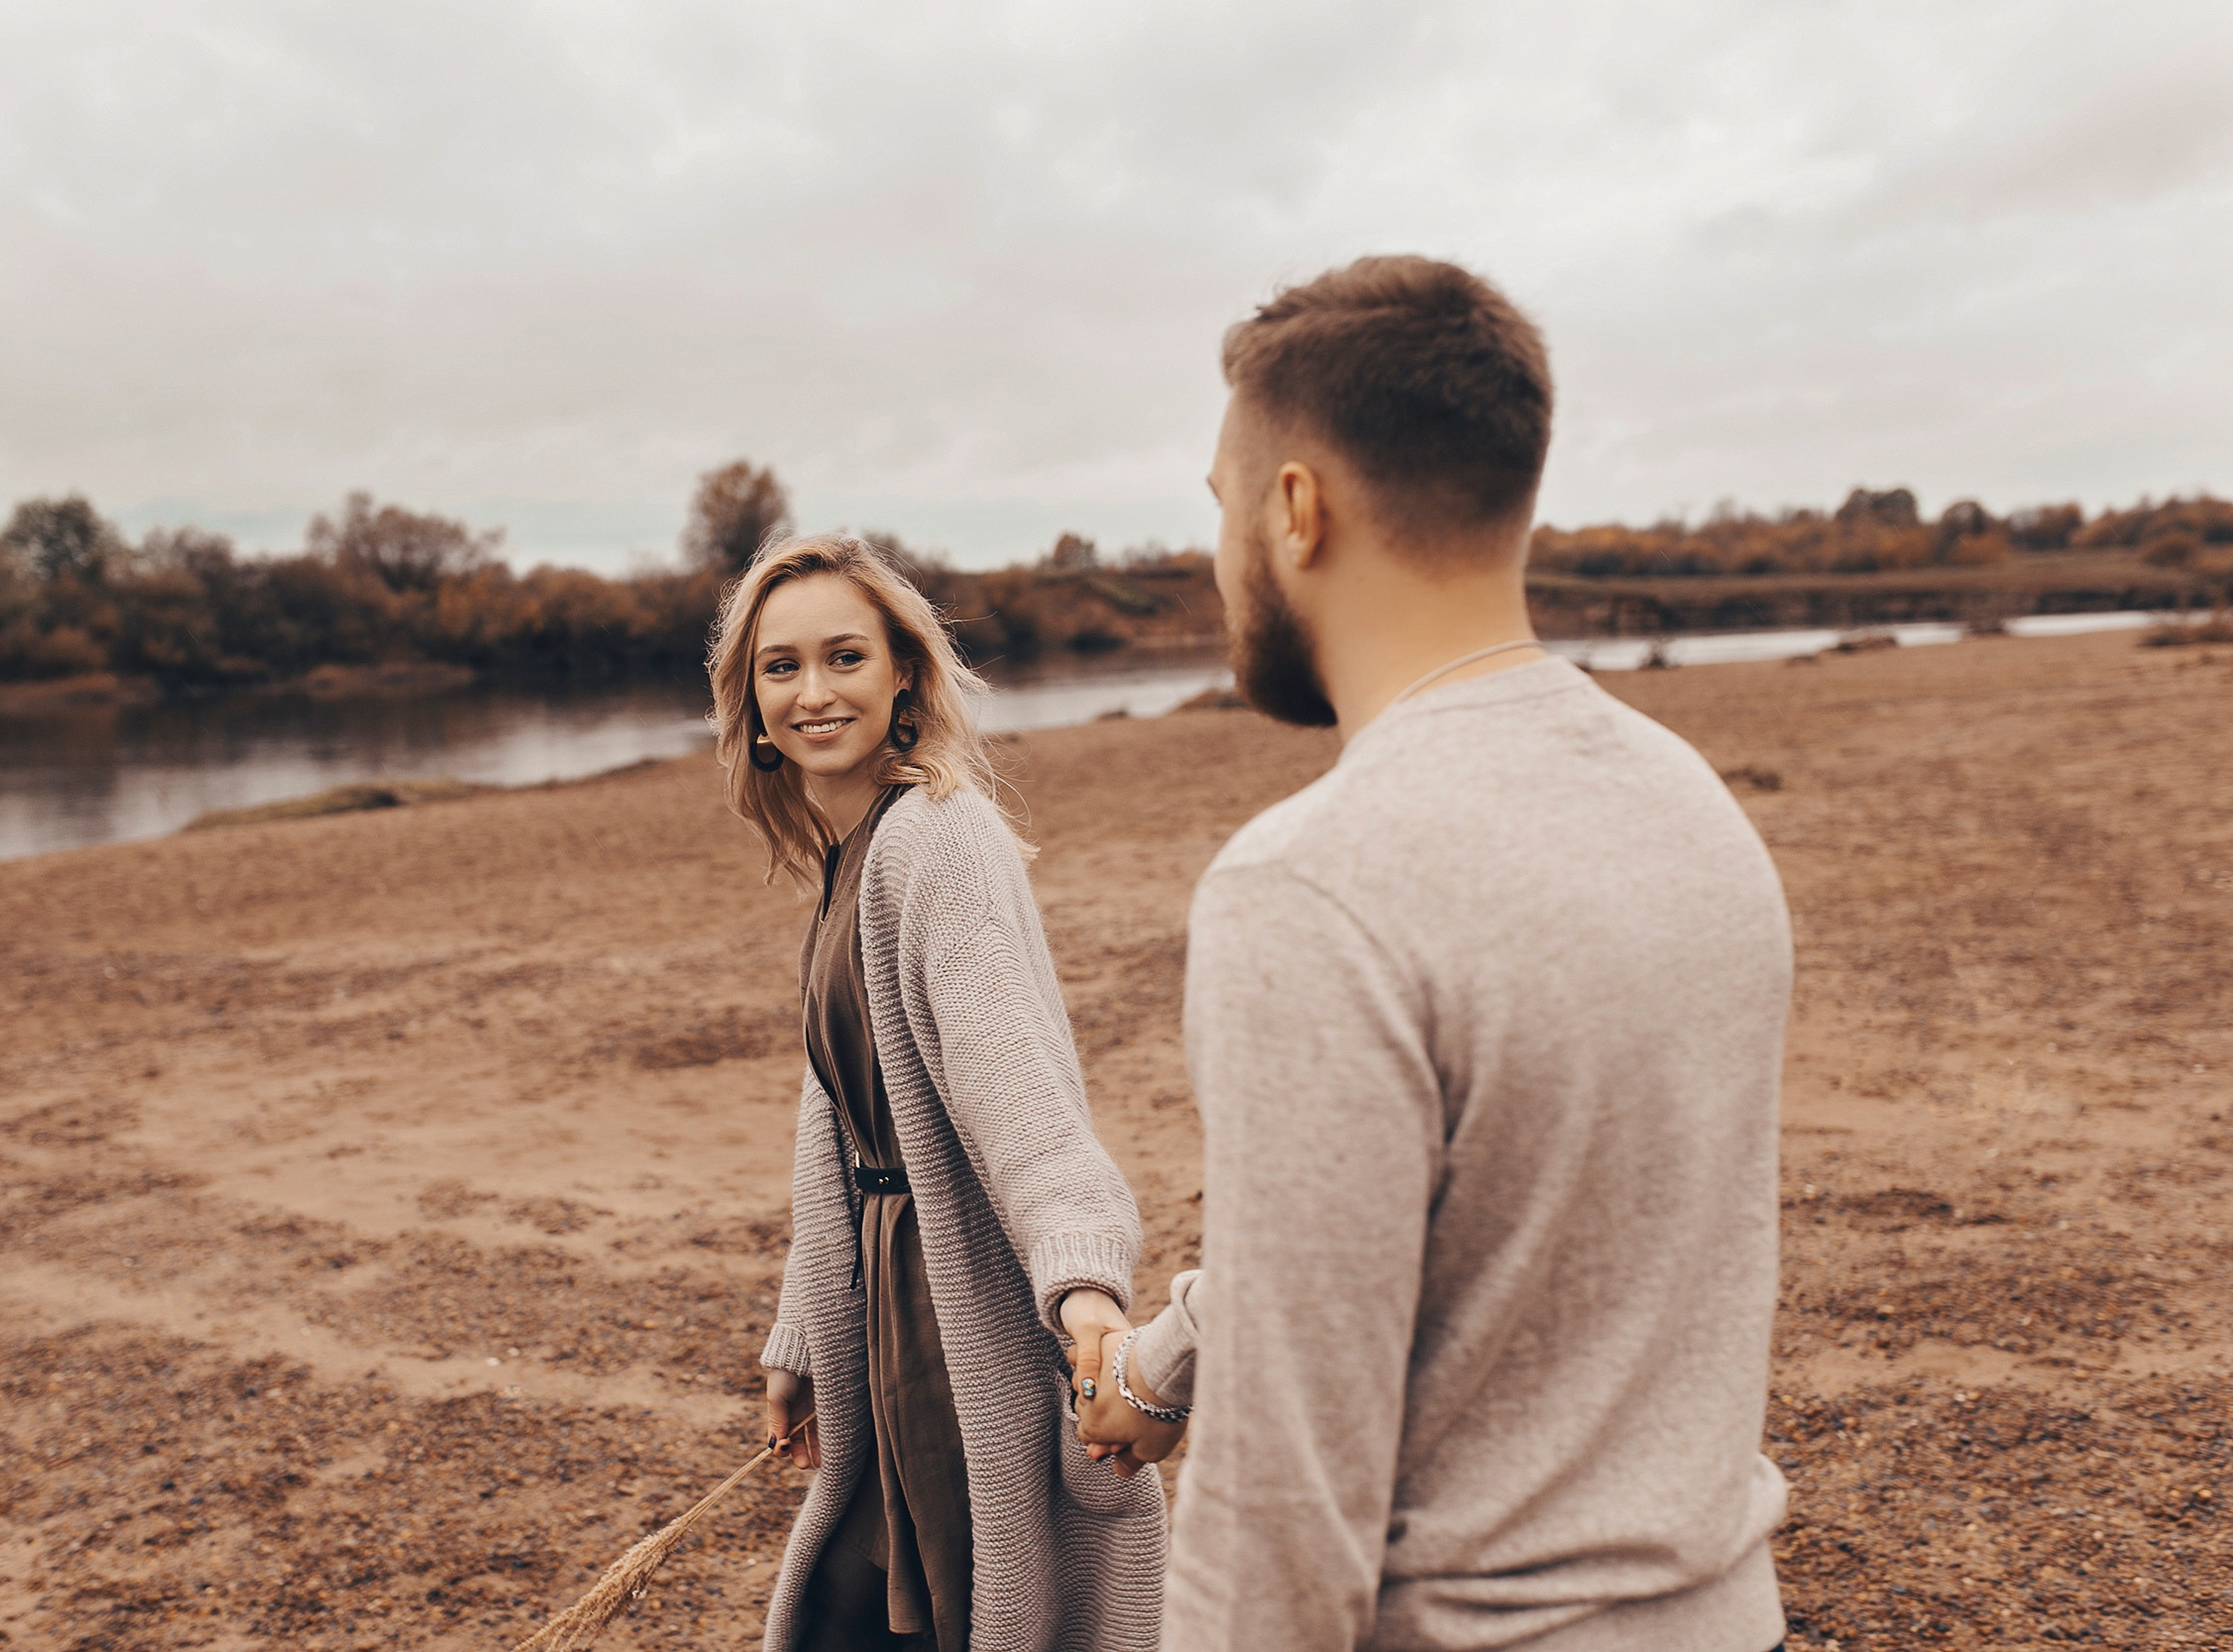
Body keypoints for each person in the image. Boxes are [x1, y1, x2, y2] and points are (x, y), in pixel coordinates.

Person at [1074, 257, 1795, 1652]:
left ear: (1296, 509)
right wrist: (1163, 1362)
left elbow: (1285, 1491)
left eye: (1222, 508)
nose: (1220, 559)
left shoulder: (1309, 884)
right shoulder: (1690, 805)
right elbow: (1449, 1229)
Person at [712, 533, 1168, 1652]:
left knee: (965, 1601)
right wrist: (804, 1333)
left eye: (843, 657)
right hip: (875, 1298)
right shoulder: (853, 850)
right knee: (882, 1600)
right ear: (750, 697)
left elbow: (1024, 1096)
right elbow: (840, 1120)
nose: (811, 692)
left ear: (904, 674)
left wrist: (1085, 1292)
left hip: (949, 1300)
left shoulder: (936, 839)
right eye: (780, 666)